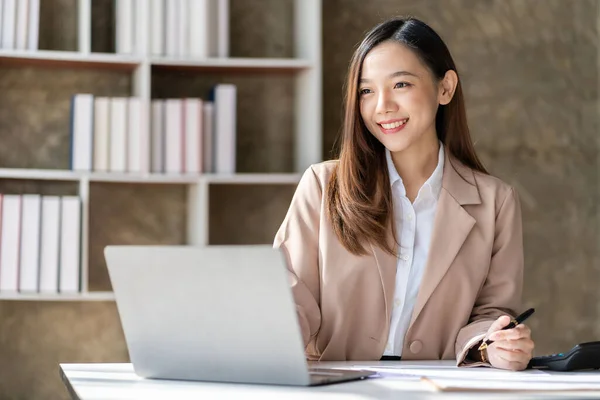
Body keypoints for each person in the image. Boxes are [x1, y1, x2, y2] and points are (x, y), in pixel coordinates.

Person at [273, 16, 534, 370]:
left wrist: (494, 345)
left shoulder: (495, 202)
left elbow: (492, 312)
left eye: (400, 85)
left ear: (445, 88)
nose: (382, 106)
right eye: (366, 91)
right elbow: (290, 294)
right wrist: (272, 334)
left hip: (439, 388)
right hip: (338, 385)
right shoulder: (322, 185)